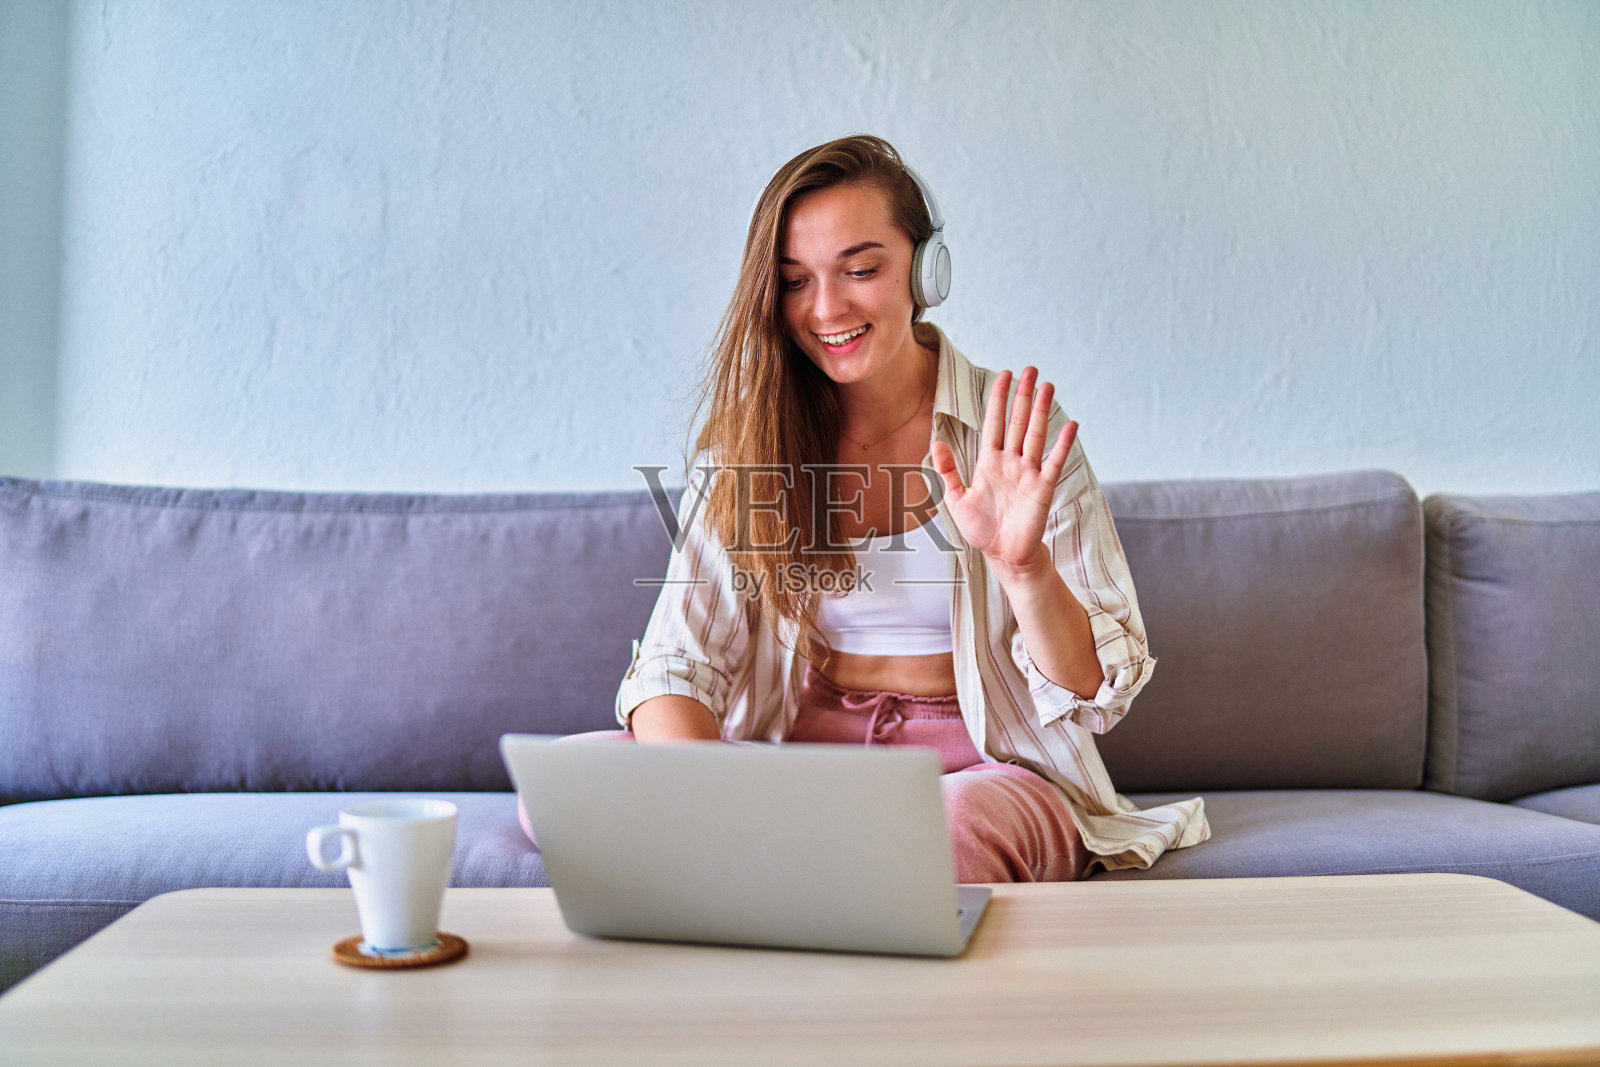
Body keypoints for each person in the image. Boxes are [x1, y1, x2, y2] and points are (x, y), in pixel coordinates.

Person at [569, 135, 1207, 879]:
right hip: (808, 770)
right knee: (581, 785)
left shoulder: (1008, 432)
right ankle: (798, 877)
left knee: (948, 829)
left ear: (926, 270)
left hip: (988, 773)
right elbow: (679, 663)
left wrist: (1022, 566)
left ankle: (793, 888)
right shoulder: (750, 441)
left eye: (862, 269)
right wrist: (710, 803)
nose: (827, 308)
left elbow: (1098, 694)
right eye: (795, 280)